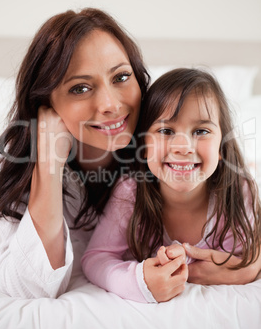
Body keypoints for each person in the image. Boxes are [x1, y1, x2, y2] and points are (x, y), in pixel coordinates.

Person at [0, 7, 149, 298]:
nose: (110, 104)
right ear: (46, 103)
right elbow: (30, 285)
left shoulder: (167, 147)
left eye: (121, 77)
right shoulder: (13, 161)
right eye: (80, 88)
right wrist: (49, 164)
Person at [81, 68, 261, 303]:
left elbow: (245, 257)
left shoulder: (238, 192)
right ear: (144, 146)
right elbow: (96, 258)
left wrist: (195, 264)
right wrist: (138, 281)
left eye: (201, 131)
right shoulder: (130, 192)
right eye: (166, 130)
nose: (183, 146)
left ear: (221, 149)